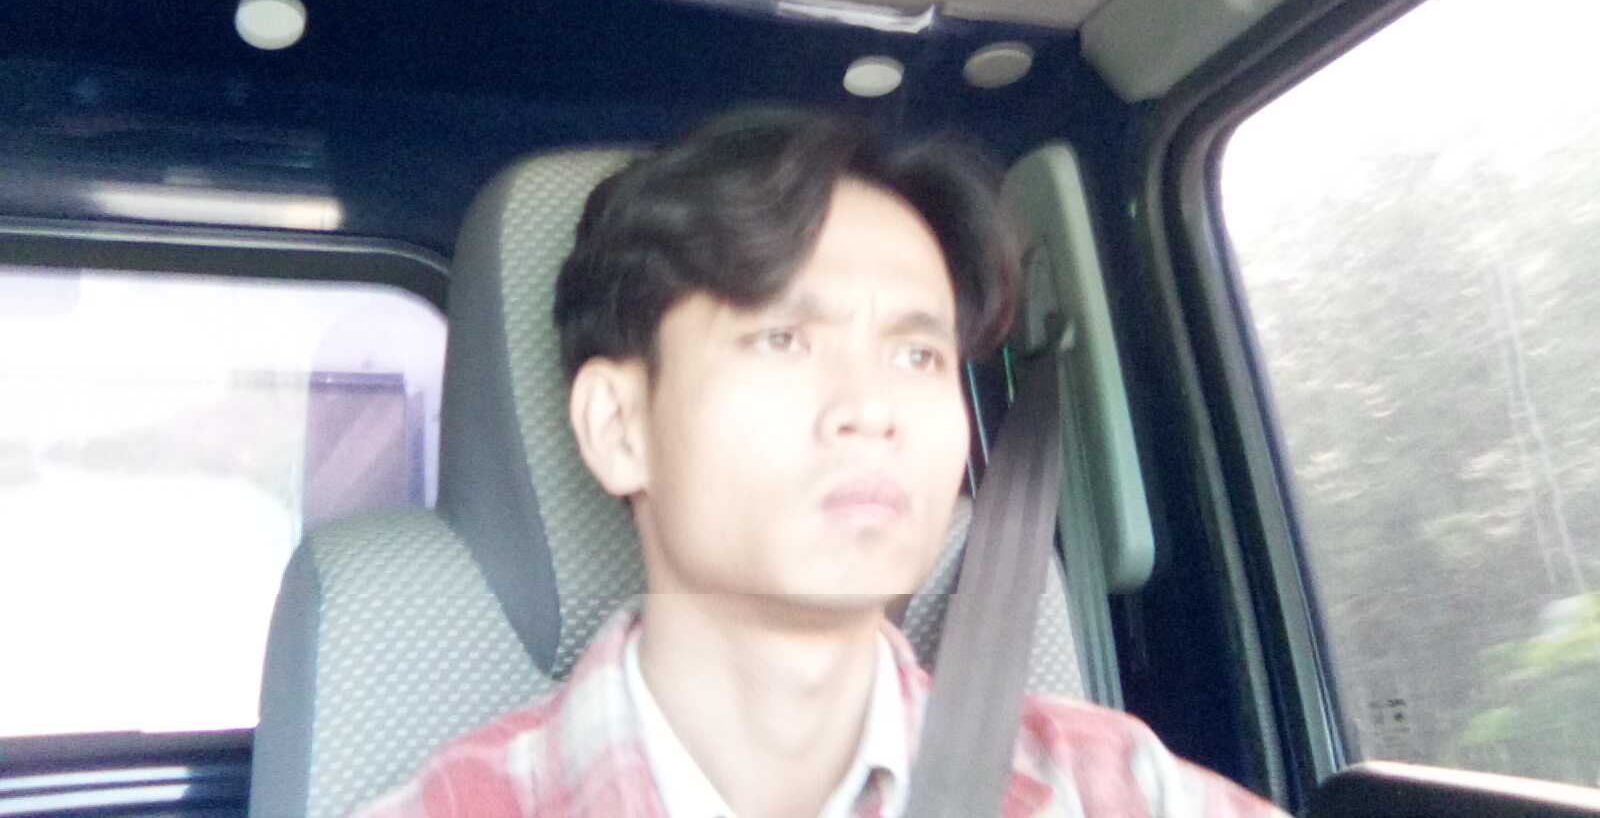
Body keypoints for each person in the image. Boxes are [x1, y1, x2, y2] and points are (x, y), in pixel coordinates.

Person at [352, 108, 1287, 818]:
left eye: (917, 355)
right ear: (618, 426)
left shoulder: (1111, 788)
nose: (871, 410)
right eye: (782, 339)